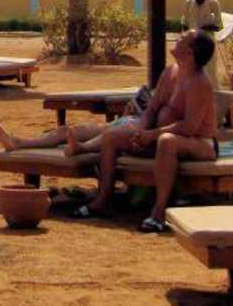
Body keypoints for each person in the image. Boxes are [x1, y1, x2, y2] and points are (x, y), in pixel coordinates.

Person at [77, 30, 218, 233]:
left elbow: (190, 127)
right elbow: (151, 109)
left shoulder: (199, 83)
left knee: (167, 141)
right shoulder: (170, 73)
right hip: (161, 136)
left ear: (189, 53)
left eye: (182, 39)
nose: (177, 38)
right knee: (112, 137)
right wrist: (140, 132)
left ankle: (158, 213)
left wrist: (152, 135)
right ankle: (103, 200)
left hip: (200, 143)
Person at [0, 87, 151, 156]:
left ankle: (82, 148)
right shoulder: (158, 88)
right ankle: (19, 143)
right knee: (65, 131)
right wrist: (127, 111)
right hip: (125, 121)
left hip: (133, 128)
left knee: (109, 135)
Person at [182, 0, 225, 86]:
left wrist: (202, 29)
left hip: (207, 43)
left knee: (209, 71)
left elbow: (218, 25)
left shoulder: (213, 3)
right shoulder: (188, 3)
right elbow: (184, 24)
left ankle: (211, 93)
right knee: (191, 70)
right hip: (192, 43)